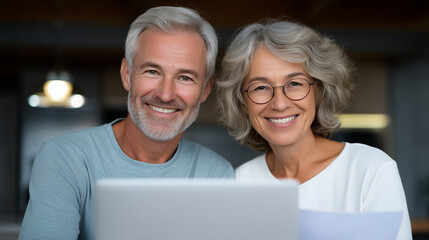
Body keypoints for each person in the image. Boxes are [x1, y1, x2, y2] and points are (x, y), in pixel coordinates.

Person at [19, 6, 234, 240]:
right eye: (152, 71)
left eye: (185, 77)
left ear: (205, 90)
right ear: (127, 75)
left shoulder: (216, 174)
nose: (165, 94)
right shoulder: (64, 159)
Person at [216, 20, 412, 239]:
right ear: (243, 102)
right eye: (261, 87)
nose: (280, 103)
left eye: (295, 83)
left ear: (318, 90)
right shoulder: (240, 183)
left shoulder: (371, 169)